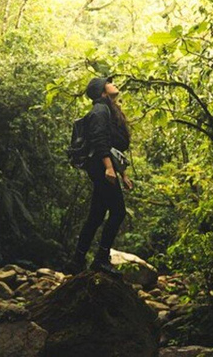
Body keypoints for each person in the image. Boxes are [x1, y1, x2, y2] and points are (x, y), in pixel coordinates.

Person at [66, 76, 133, 276]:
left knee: (96, 215)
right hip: (101, 167)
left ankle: (77, 261)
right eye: (108, 82)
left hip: (104, 167)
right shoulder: (100, 110)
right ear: (102, 91)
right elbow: (99, 140)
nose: (113, 83)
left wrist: (122, 174)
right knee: (118, 212)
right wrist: (108, 168)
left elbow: (113, 147)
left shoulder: (108, 109)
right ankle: (101, 259)